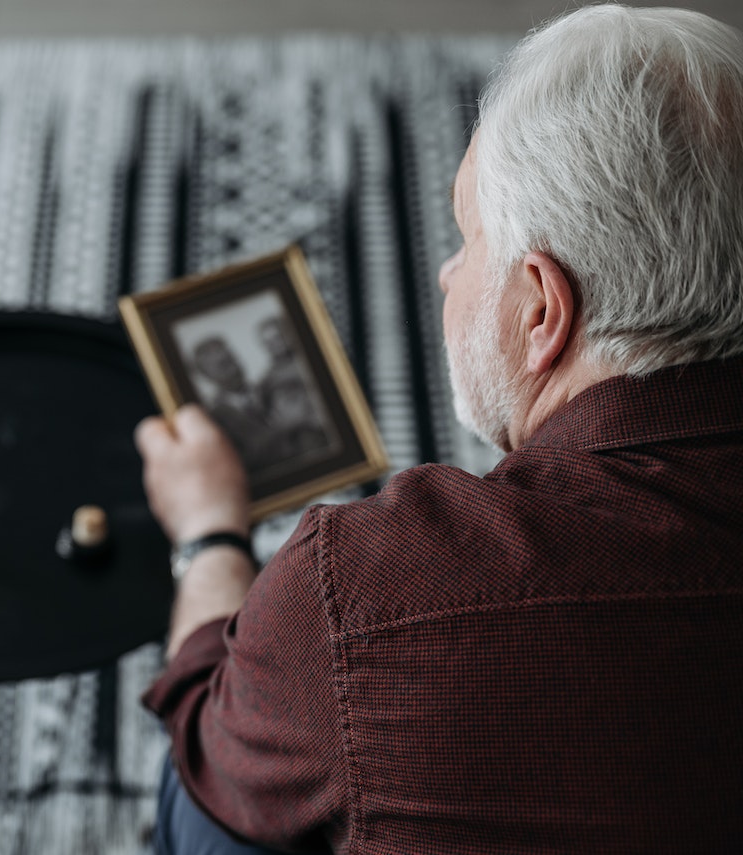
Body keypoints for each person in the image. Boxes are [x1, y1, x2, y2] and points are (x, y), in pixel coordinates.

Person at [134, 5, 743, 854]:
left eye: (467, 238)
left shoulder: (363, 583)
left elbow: (208, 757)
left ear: (541, 310)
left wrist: (208, 540)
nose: (448, 272)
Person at [188, 336, 284, 471]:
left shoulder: (270, 388)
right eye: (223, 365)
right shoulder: (214, 418)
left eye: (233, 359)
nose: (235, 368)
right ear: (207, 376)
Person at [254, 316, 332, 461]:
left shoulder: (319, 356)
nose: (275, 344)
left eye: (278, 337)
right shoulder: (267, 381)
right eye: (268, 342)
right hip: (306, 436)